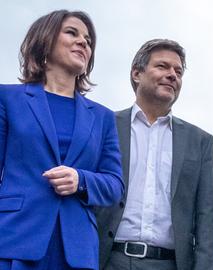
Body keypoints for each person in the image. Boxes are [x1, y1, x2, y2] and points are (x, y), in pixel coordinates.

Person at [0, 10, 124, 270]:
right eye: (72, 33)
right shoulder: (7, 99)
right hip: (14, 241)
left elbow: (115, 185)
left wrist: (81, 179)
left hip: (76, 252)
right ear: (45, 40)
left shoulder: (102, 117)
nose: (83, 42)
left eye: (88, 41)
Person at [95, 39, 213, 270]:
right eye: (162, 66)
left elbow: (207, 219)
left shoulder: (200, 141)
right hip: (108, 260)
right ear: (136, 74)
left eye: (178, 71)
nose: (173, 75)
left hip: (169, 264)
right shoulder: (103, 125)